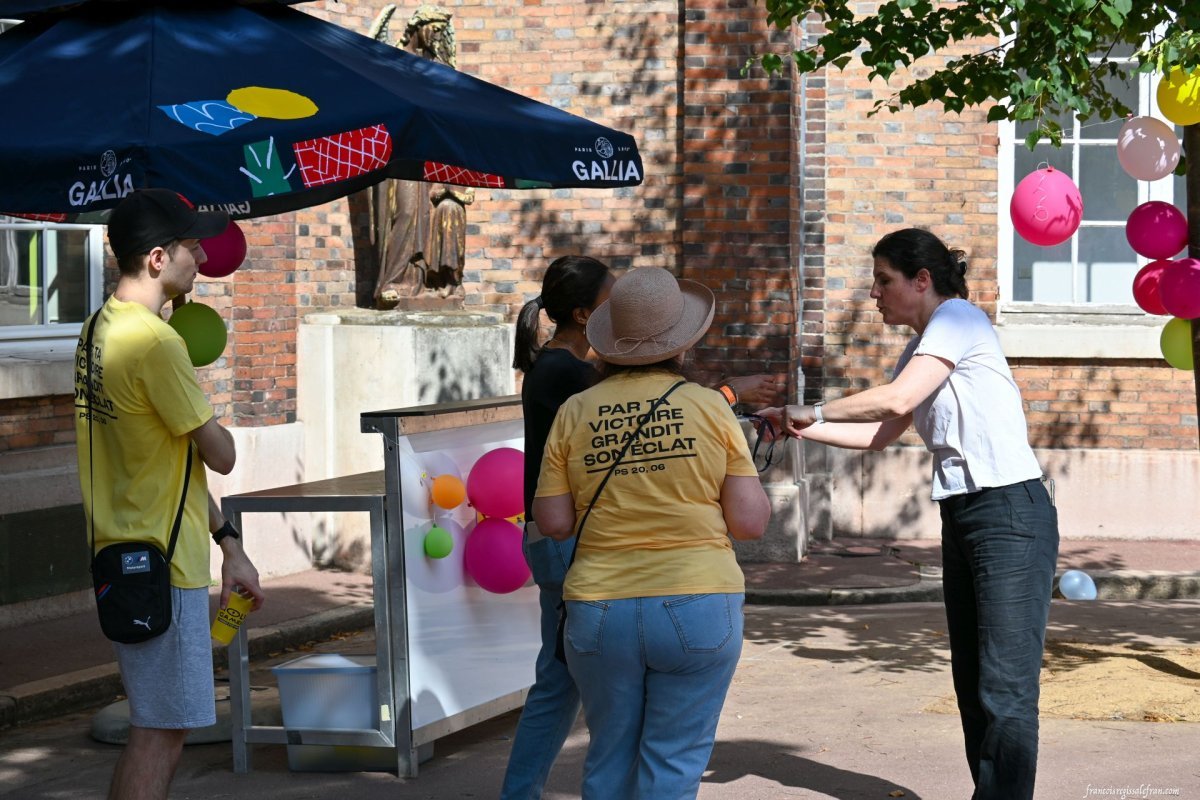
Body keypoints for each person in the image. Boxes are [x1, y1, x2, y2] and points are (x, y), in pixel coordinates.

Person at [763, 228, 1058, 800]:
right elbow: (880, 433)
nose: (874, 293)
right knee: (974, 681)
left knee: (1006, 686)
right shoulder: (922, 346)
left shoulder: (959, 320)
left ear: (922, 280)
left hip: (1010, 513)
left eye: (883, 280)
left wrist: (809, 406)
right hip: (966, 513)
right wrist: (795, 425)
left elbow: (896, 400)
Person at [532, 266, 771, 799]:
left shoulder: (575, 411)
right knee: (673, 765)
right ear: (682, 342)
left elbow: (553, 522)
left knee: (609, 759)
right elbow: (750, 524)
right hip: (699, 600)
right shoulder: (710, 407)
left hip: (599, 607)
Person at [74, 188, 265, 800]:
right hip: (162, 562)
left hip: (128, 550)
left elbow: (172, 459)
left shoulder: (97, 328)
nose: (201, 255)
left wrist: (228, 543)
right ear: (158, 259)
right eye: (189, 245)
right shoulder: (157, 344)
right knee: (162, 730)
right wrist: (204, 401)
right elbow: (222, 455)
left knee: (157, 724)